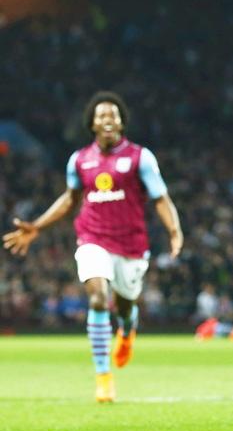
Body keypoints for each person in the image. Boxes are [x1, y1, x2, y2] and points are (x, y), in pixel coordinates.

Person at [3, 91, 183, 402]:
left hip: (131, 244)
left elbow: (160, 198)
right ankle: (103, 376)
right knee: (99, 298)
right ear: (92, 124)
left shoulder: (141, 157)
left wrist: (174, 230)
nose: (108, 120)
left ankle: (126, 331)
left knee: (125, 306)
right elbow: (70, 200)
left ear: (122, 122)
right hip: (92, 238)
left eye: (113, 115)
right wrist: (37, 226)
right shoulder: (80, 160)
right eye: (101, 116)